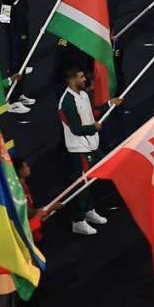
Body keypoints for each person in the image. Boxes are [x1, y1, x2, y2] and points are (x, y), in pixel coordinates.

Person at [57, 67, 123, 236]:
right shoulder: (67, 103)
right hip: (80, 148)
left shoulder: (83, 94)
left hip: (92, 145)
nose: (85, 79)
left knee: (94, 179)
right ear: (72, 81)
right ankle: (78, 220)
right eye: (81, 77)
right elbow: (75, 129)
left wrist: (109, 104)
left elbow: (92, 112)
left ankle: (89, 210)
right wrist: (93, 128)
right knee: (84, 184)